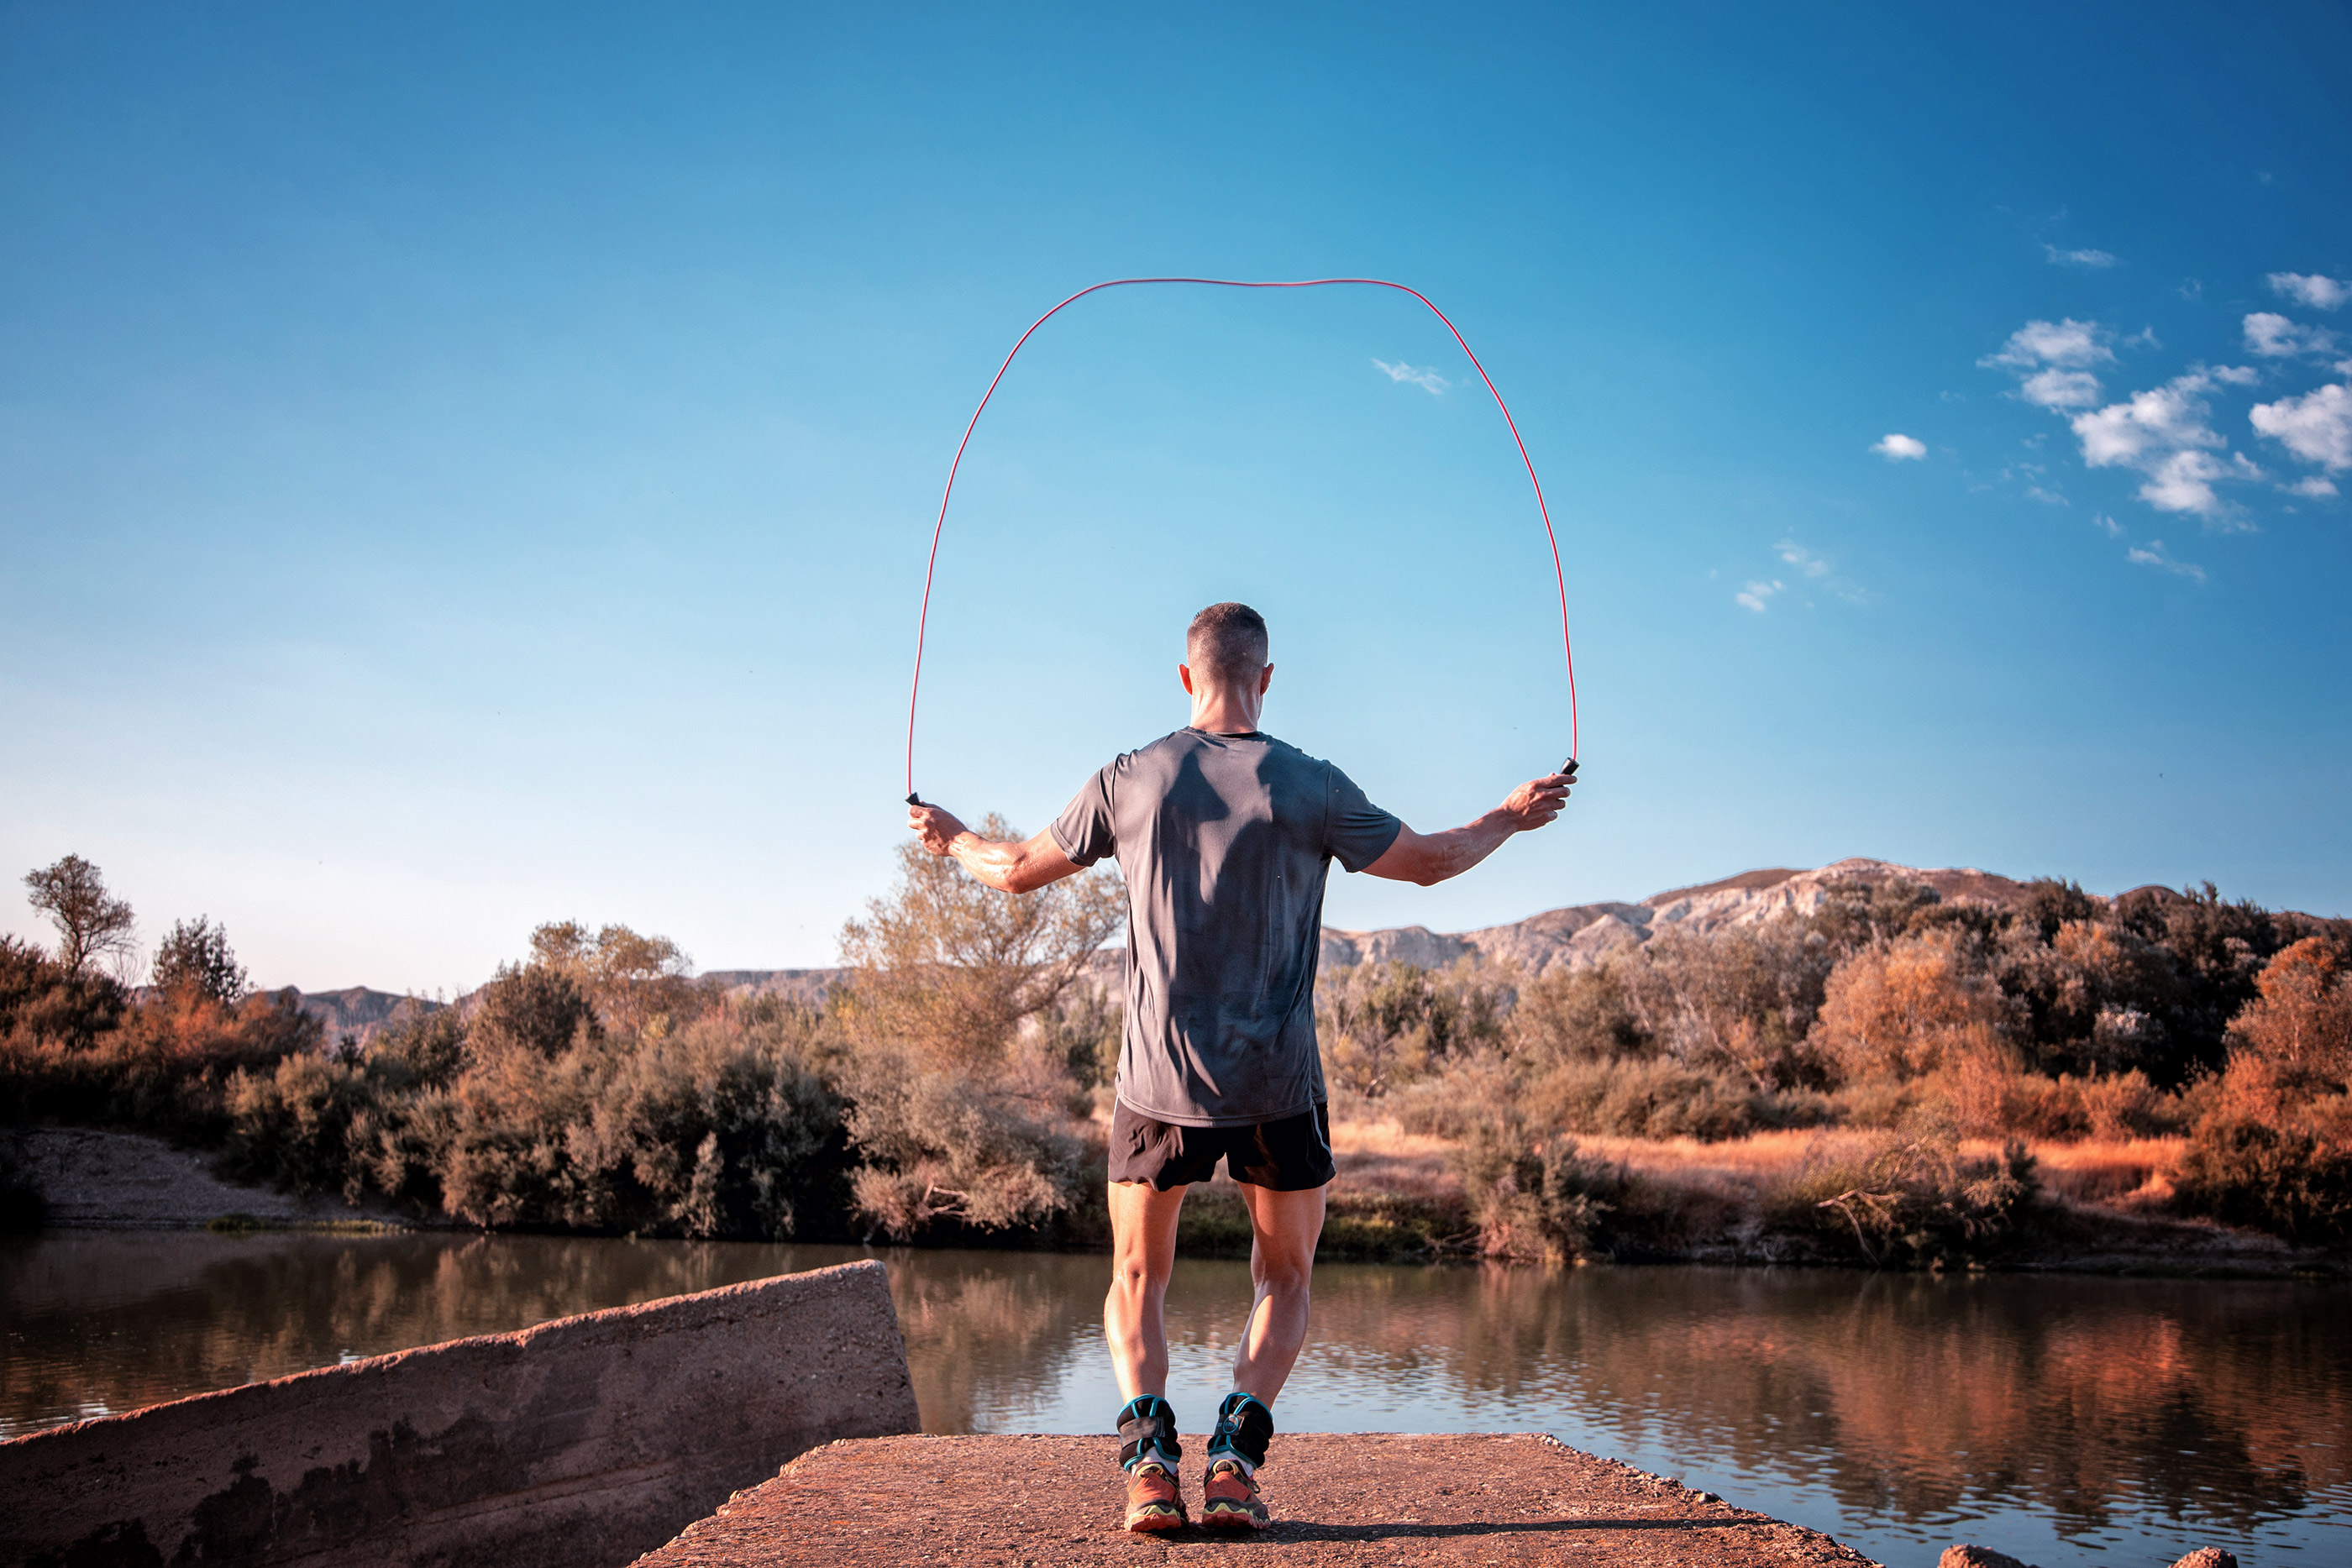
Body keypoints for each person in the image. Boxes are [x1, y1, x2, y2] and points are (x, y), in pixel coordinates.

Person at [906, 601, 1572, 1534]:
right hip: (1276, 1086)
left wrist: (949, 839)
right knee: (1287, 1280)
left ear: (1186, 678)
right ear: (1265, 677)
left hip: (1156, 1086)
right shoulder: (1312, 784)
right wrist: (1507, 815)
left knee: (1137, 1278)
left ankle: (1148, 1468)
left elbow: (1013, 868)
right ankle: (1230, 1461)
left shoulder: (1128, 778)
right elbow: (1428, 862)